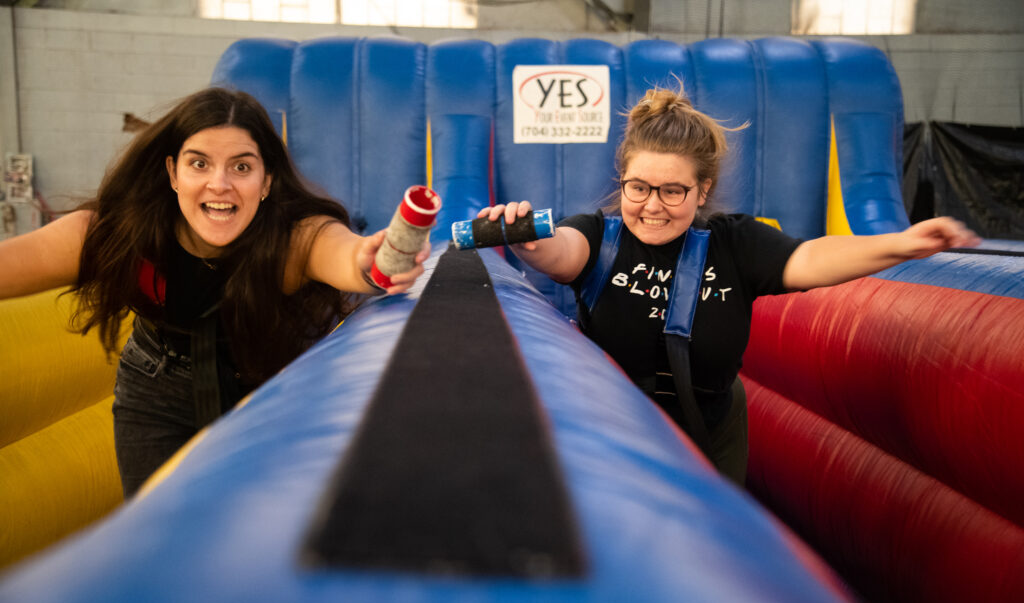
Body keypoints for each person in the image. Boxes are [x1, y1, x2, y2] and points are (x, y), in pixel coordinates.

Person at [480, 87, 979, 486]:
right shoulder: (599, 235)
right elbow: (561, 253)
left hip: (711, 430)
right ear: (624, 181)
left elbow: (809, 256)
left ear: (703, 192)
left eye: (673, 191)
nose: (652, 206)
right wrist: (529, 243)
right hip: (620, 432)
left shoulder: (733, 243)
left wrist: (902, 245)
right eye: (639, 187)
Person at [0, 87, 429, 497]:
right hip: (155, 393)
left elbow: (349, 260)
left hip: (267, 390)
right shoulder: (119, 235)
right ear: (172, 173)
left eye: (241, 167)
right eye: (199, 164)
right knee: (159, 536)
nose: (219, 184)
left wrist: (382, 258)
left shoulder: (294, 238)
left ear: (266, 182)